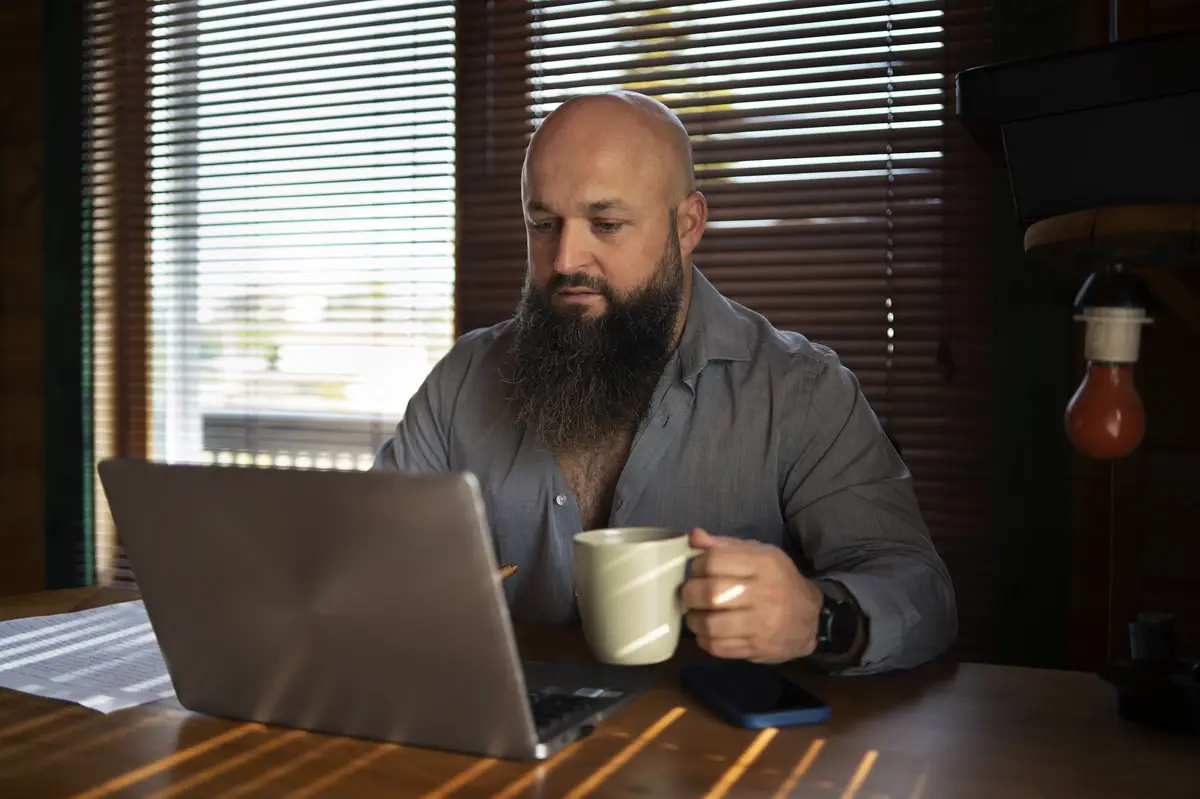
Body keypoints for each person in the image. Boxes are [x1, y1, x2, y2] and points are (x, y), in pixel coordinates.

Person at [375, 91, 957, 675]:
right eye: (543, 223)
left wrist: (820, 617)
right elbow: (364, 556)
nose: (565, 259)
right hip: (505, 740)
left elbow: (922, 593)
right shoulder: (463, 379)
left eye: (606, 223)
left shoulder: (801, 391)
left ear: (687, 225)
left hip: (714, 751)